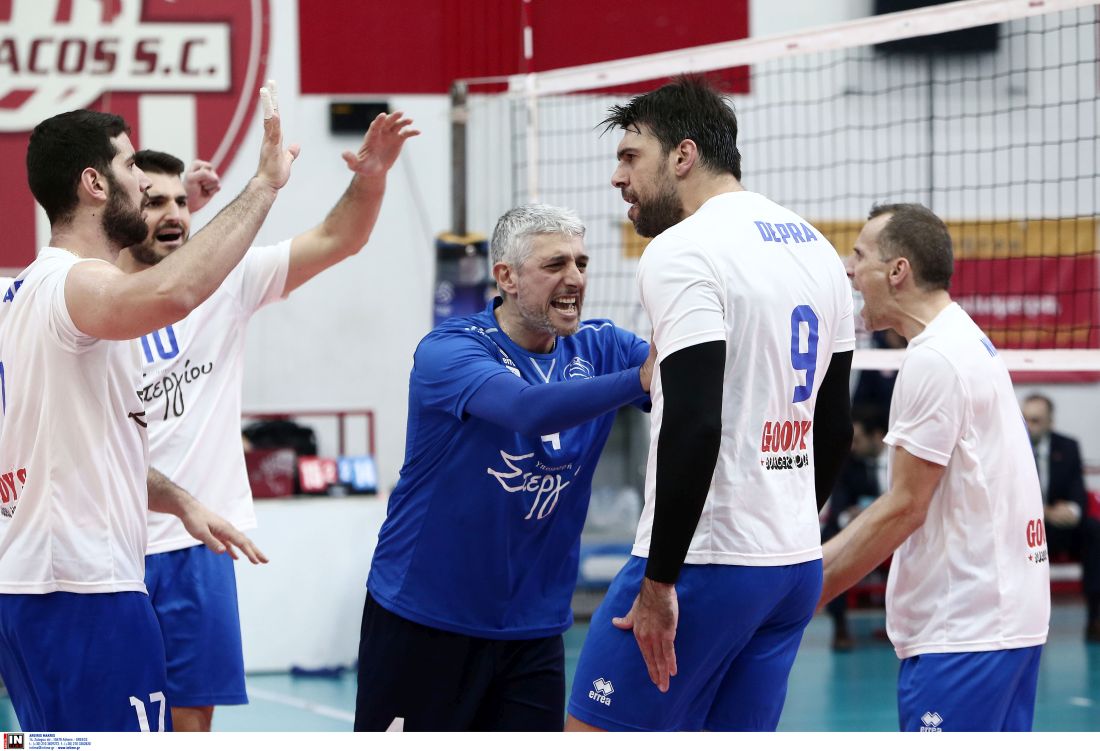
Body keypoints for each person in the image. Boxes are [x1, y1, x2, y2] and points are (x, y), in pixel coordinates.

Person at [0, 87, 296, 732]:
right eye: (131, 165)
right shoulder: (74, 283)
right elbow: (177, 290)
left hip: (42, 586)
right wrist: (264, 186)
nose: (145, 180)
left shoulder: (26, 292)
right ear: (94, 184)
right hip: (80, 589)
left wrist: (181, 501)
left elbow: (85, 447)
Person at [566, 75, 855, 732]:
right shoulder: (817, 247)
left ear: (683, 155)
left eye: (630, 155)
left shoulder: (682, 249)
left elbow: (696, 424)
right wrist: (786, 524)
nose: (617, 177)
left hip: (705, 561)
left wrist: (659, 581)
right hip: (790, 566)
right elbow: (834, 425)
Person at [115, 110, 418, 732]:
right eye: (155, 202)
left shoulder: (226, 281)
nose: (174, 214)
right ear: (120, 211)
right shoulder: (88, 299)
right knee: (104, 719)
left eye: (181, 202)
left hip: (197, 545)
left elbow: (339, 238)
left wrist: (371, 177)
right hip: (110, 545)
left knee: (191, 718)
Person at [354, 204, 655, 731]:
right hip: (426, 618)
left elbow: (686, 384)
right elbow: (525, 409)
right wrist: (640, 380)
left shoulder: (602, 347)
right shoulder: (450, 350)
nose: (575, 278)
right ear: (507, 277)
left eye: (582, 263)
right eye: (555, 264)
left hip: (533, 627)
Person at [820, 203, 1050, 732]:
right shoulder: (964, 338)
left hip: (965, 632)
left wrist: (805, 587)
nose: (850, 270)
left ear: (897, 270)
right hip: (1004, 622)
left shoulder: (935, 358)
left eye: (860, 255)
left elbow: (905, 507)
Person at [1022, 393, 1100, 641]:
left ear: (1050, 422)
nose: (1029, 426)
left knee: (1093, 530)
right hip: (1027, 527)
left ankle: (1096, 618)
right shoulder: (1012, 447)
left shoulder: (1068, 446)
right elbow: (1007, 497)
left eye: (1035, 420)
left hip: (1060, 528)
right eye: (1025, 420)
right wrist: (1044, 512)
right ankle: (1019, 622)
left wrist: (1072, 511)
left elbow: (1078, 492)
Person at [821, 404, 890, 651]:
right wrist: (856, 518)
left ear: (877, 436)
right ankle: (840, 626)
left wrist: (875, 511)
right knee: (829, 537)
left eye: (858, 439)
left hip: (901, 533)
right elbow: (838, 511)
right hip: (862, 533)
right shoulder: (847, 463)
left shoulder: (903, 456)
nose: (853, 446)